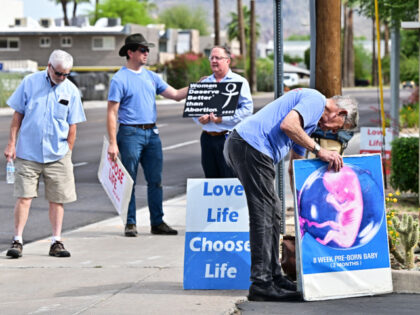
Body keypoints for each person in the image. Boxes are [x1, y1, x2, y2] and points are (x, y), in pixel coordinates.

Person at [224, 88, 358, 301]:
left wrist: (303, 196)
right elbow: (288, 125)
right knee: (264, 214)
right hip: (250, 146)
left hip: (249, 148)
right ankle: (261, 283)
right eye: (337, 129)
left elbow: (294, 162)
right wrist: (320, 150)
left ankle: (274, 276)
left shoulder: (310, 121)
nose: (331, 132)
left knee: (274, 212)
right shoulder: (316, 100)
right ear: (339, 113)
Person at [4, 50, 86, 259]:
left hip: (57, 154)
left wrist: (68, 150)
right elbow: (17, 117)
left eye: (66, 74)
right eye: (58, 73)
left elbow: (72, 125)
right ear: (49, 66)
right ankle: (17, 240)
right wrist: (12, 144)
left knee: (57, 200)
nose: (62, 78)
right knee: (24, 197)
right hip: (28, 152)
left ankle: (56, 241)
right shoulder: (29, 82)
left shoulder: (71, 91)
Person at [107, 33, 189, 237]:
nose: (146, 53)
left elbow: (176, 95)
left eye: (147, 50)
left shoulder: (151, 77)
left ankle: (157, 222)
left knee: (156, 180)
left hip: (152, 133)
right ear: (130, 52)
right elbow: (112, 112)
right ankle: (130, 222)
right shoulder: (119, 79)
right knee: (130, 180)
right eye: (142, 50)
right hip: (130, 133)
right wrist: (112, 143)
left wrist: (199, 86)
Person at [193, 46, 253, 178]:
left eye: (218, 58)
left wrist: (222, 118)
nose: (214, 61)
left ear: (228, 61)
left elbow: (247, 110)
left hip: (229, 138)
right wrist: (199, 118)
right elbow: (195, 109)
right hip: (207, 139)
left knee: (229, 178)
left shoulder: (239, 82)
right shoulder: (204, 83)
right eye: (211, 58)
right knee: (211, 178)